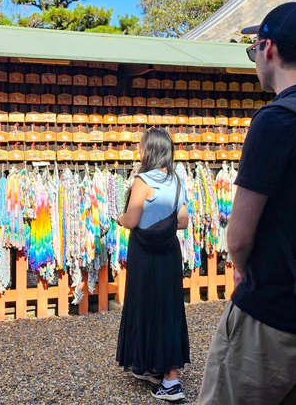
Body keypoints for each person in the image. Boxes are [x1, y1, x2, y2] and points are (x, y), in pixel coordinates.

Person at [197, 2, 296, 405]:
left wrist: (246, 274)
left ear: (267, 49)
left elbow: (240, 237)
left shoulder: (274, 120)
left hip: (273, 311)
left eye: (253, 51)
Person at [117, 128, 190, 402]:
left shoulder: (142, 180)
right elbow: (182, 221)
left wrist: (119, 217)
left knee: (144, 304)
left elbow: (132, 221)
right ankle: (156, 368)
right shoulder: (176, 180)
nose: (139, 150)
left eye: (142, 146)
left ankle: (170, 381)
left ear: (150, 150)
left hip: (145, 255)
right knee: (169, 308)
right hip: (169, 253)